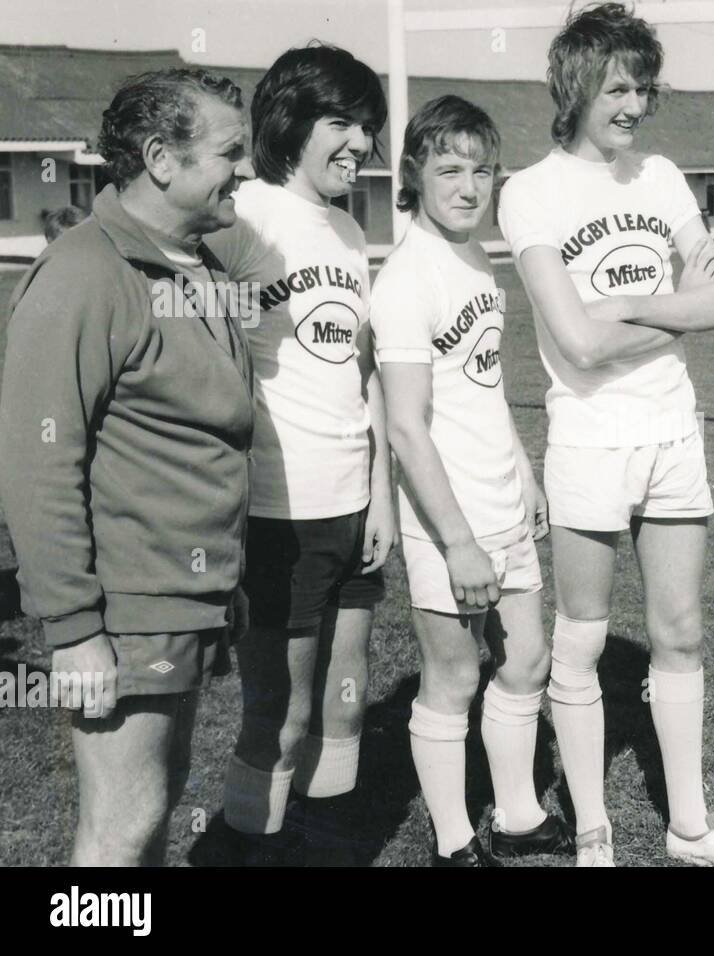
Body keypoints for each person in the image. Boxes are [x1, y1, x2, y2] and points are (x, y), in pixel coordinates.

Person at [497, 2, 714, 866]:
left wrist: (626, 306)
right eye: (618, 87)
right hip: (588, 440)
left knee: (681, 633)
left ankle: (689, 826)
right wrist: (675, 313)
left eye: (642, 88)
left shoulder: (660, 176)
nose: (633, 105)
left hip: (671, 431)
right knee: (579, 638)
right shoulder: (530, 192)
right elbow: (574, 344)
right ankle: (591, 827)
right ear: (575, 85)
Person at [0, 68, 255, 865]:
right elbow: (38, 464)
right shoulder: (84, 273)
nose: (244, 170)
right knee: (121, 826)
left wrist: (224, 582)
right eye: (229, 152)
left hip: (186, 598)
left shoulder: (197, 265)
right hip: (125, 608)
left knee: (154, 805)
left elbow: (205, 436)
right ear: (160, 158)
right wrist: (73, 631)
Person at [371, 95, 573, 866]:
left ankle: (518, 816)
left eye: (481, 170)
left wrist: (524, 468)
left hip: (501, 500)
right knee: (454, 675)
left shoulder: (476, 260)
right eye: (447, 168)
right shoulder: (403, 280)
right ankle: (453, 839)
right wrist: (456, 543)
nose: (467, 186)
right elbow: (405, 427)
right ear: (413, 174)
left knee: (526, 660)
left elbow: (483, 386)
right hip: (445, 517)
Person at [205, 44, 395, 863]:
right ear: (290, 123)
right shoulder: (241, 214)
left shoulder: (351, 231)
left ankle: (323, 851)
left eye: (367, 126)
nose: (359, 142)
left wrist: (382, 492)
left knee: (345, 706)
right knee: (277, 714)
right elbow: (200, 358)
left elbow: (362, 368)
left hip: (353, 504)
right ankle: (246, 848)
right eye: (340, 122)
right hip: (277, 510)